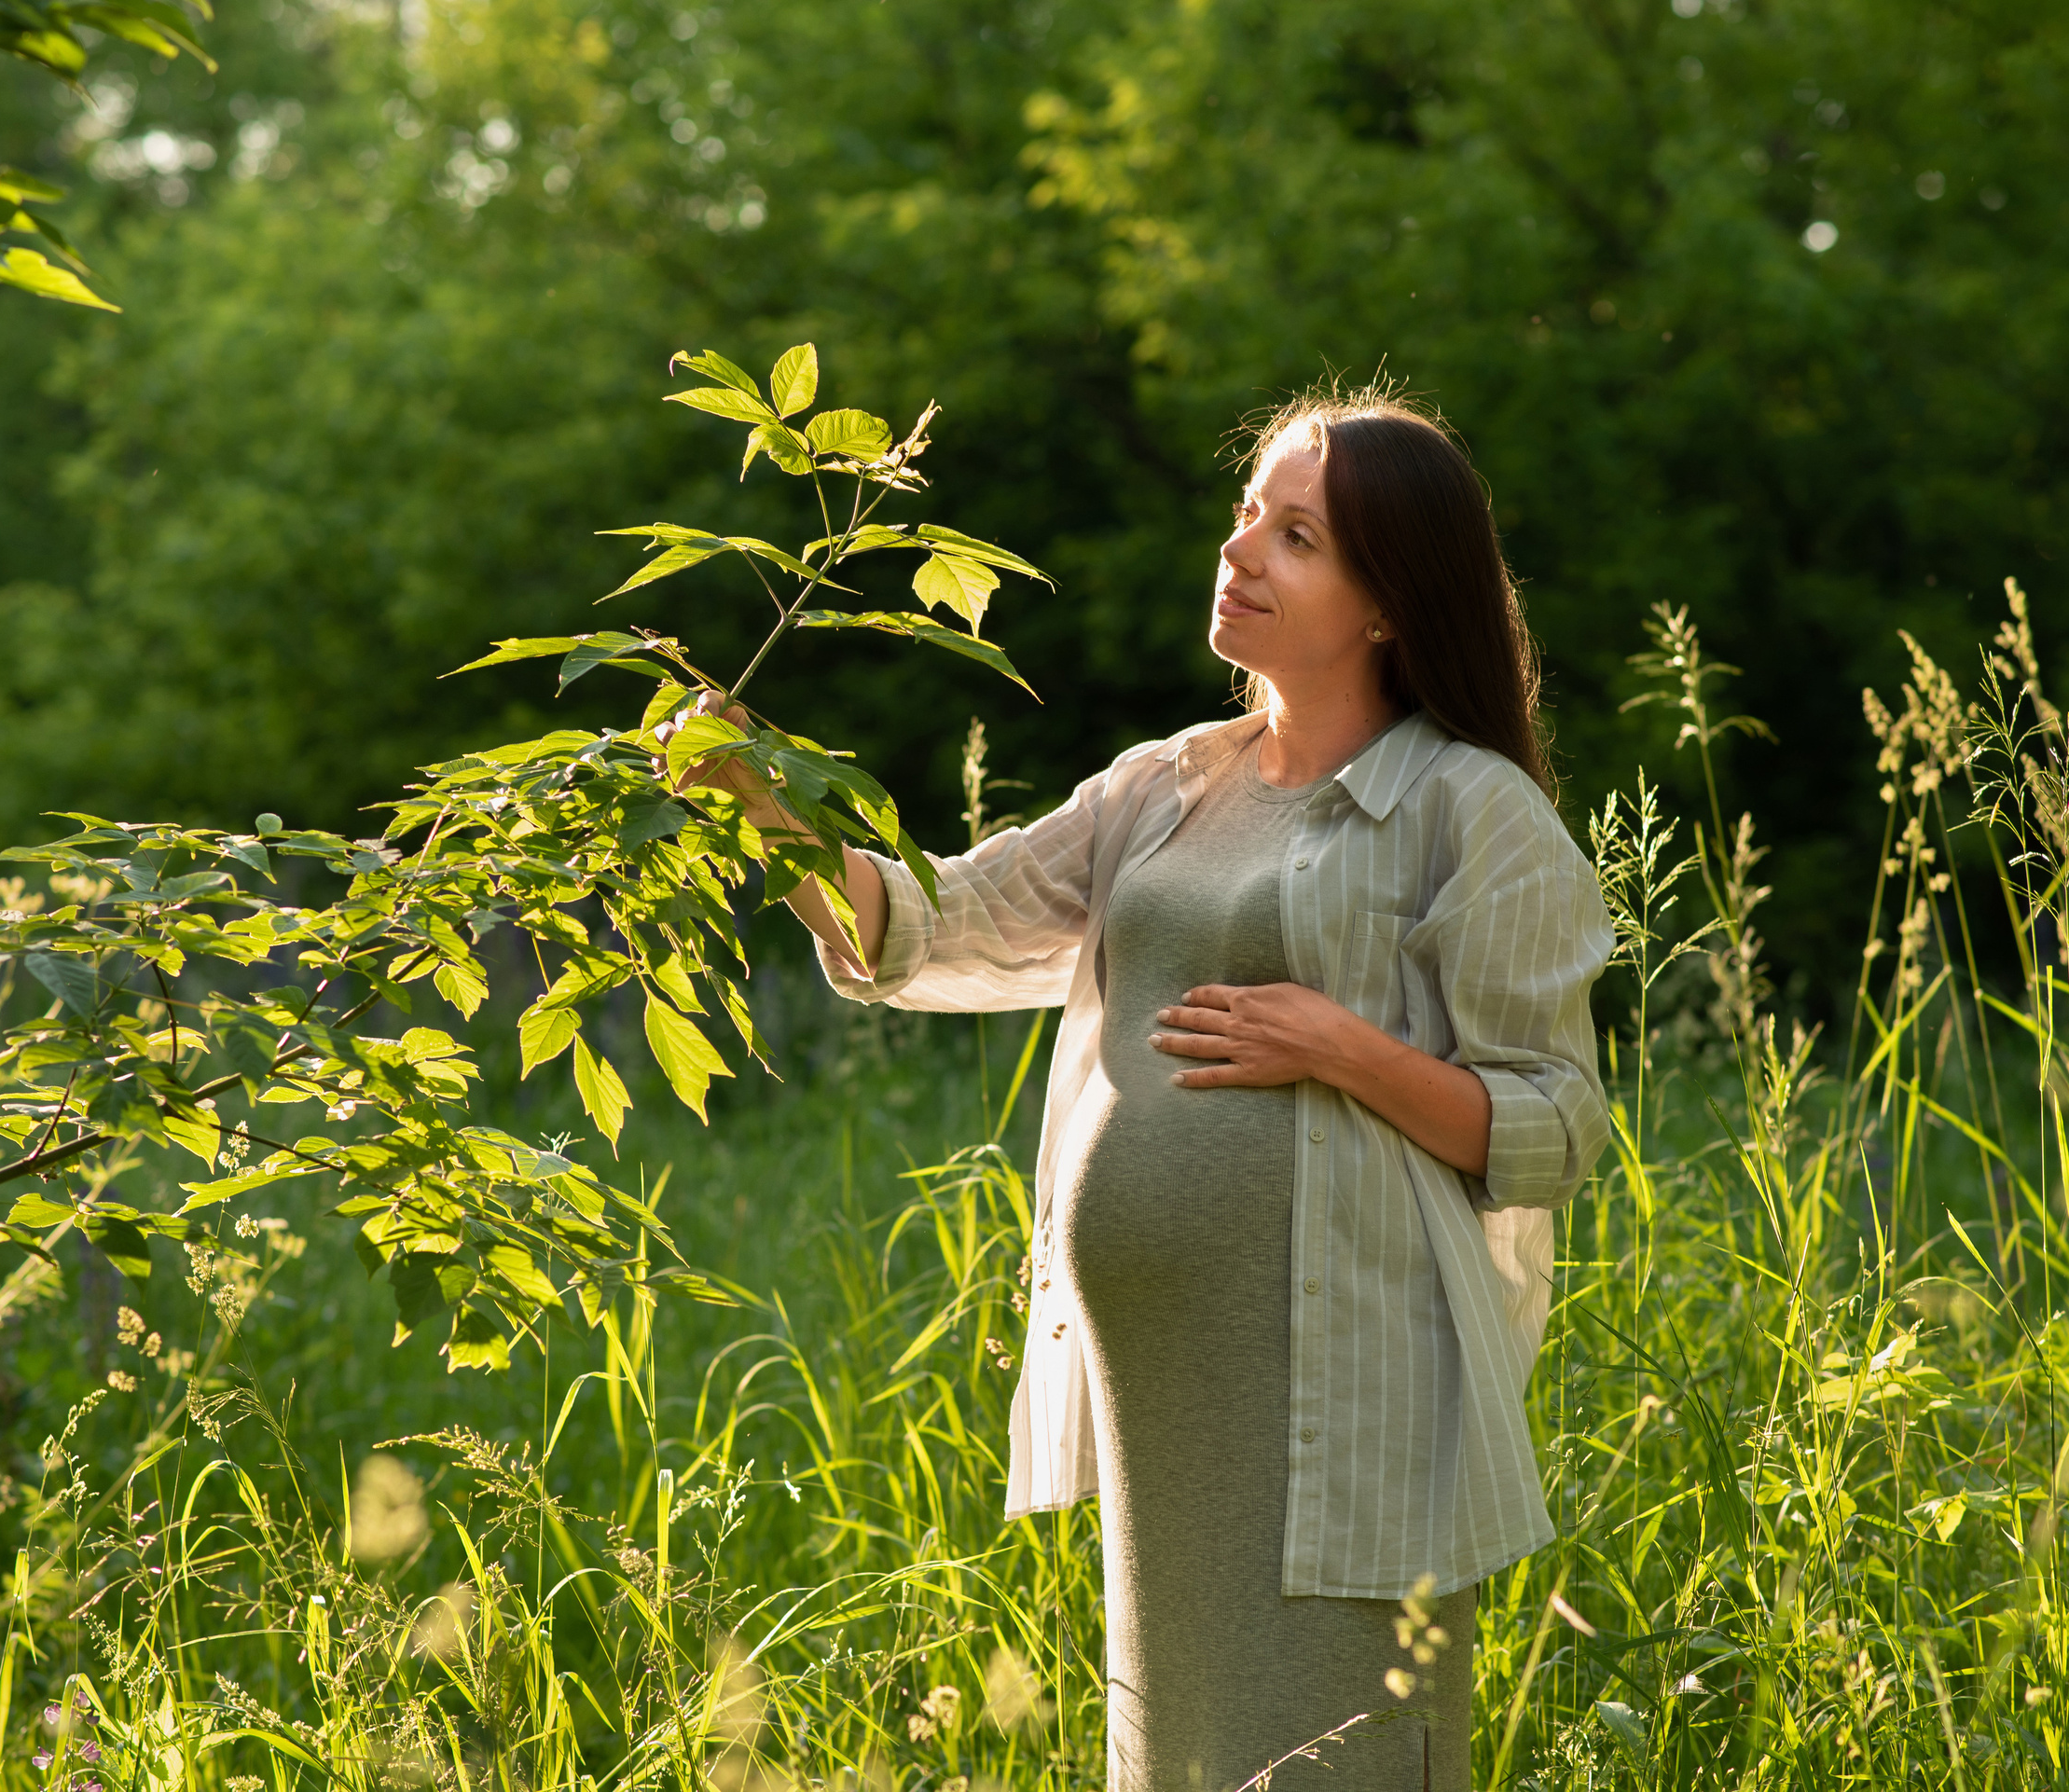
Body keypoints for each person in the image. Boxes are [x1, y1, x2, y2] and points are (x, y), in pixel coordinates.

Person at [680, 392, 1610, 1791]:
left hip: (1343, 1389)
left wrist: (1341, 1045)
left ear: (1386, 604)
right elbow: (922, 925)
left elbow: (1555, 1127)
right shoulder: (1163, 786)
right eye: (1248, 515)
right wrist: (763, 803)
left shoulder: (1470, 809)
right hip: (1164, 1387)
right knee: (1178, 1750)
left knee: (1332, 1752)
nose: (1240, 551)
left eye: (1296, 537)